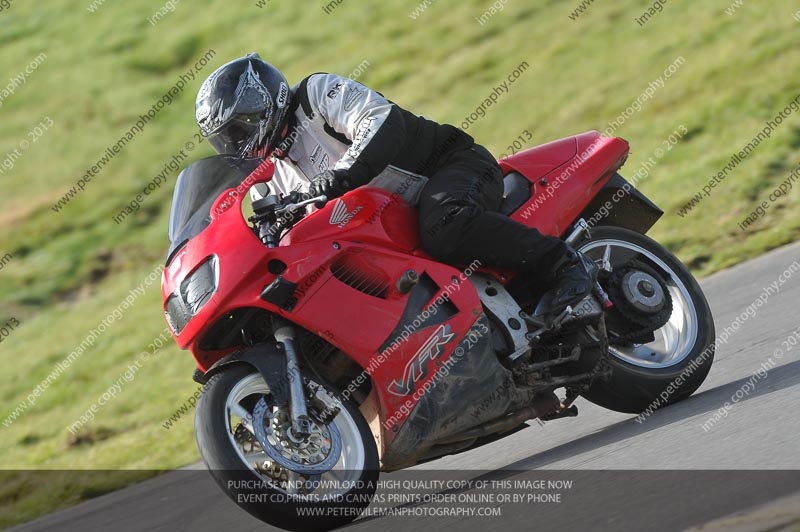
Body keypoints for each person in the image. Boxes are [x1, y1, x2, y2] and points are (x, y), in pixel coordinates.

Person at [195, 53, 594, 318]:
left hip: (448, 168)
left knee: (445, 227)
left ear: (261, 103)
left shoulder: (316, 97)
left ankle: (562, 262)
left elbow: (381, 122)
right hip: (388, 227)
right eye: (224, 138)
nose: (235, 143)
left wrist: (343, 176)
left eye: (237, 129)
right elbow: (276, 230)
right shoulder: (267, 177)